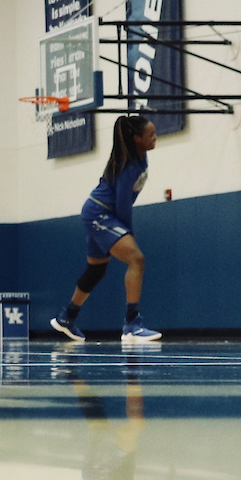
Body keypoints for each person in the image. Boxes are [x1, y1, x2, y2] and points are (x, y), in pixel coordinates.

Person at [49, 114, 160, 342]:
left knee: (96, 270)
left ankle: (67, 317)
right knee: (136, 259)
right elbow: (122, 206)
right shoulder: (127, 166)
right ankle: (132, 324)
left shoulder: (141, 157)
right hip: (99, 213)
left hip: (102, 214)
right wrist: (128, 234)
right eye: (151, 135)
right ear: (137, 138)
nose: (155, 138)